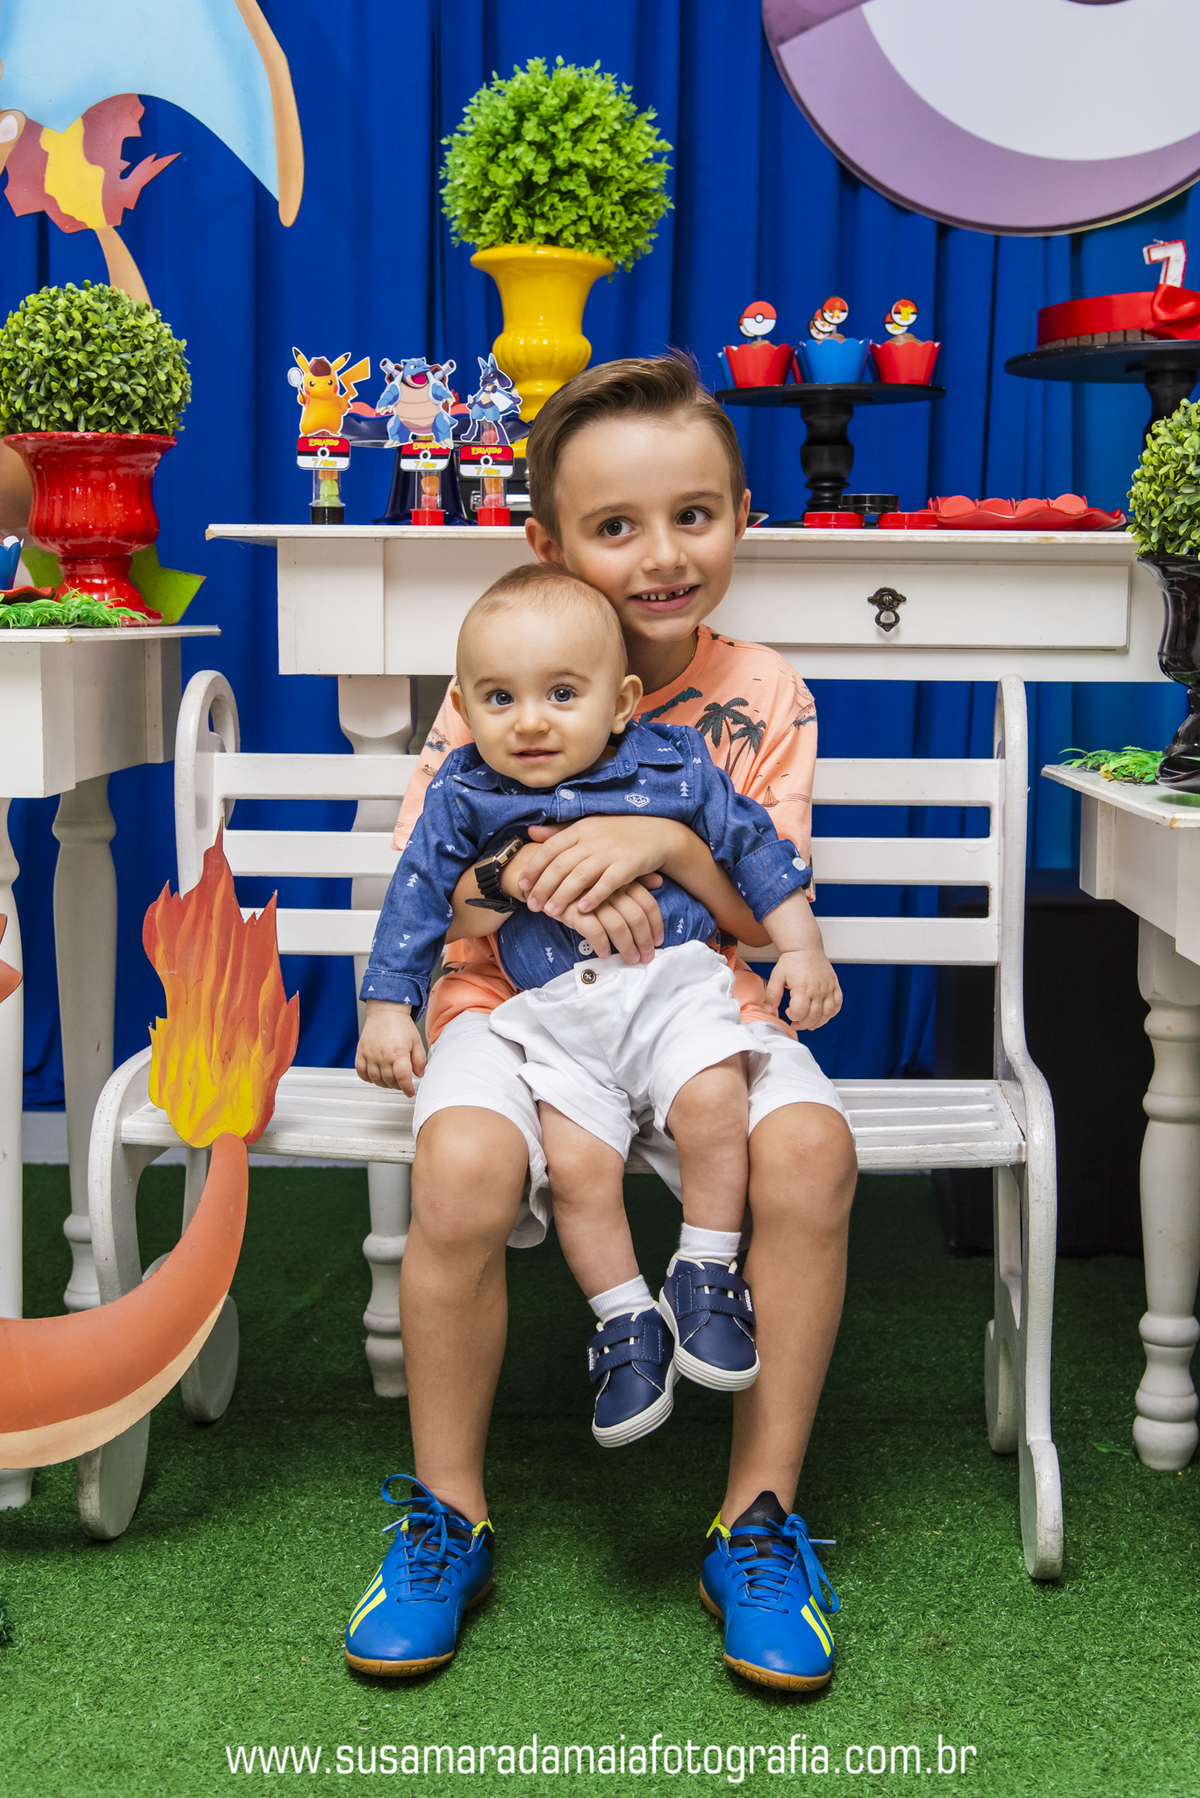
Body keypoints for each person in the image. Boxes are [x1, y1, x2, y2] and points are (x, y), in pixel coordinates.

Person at [345, 355, 857, 1694]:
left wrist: (664, 843)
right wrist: (528, 871)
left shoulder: (763, 693)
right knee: (464, 1169)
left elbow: (762, 913)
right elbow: (434, 889)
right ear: (549, 542)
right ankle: (448, 1516)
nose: (662, 555)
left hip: (697, 999)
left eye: (694, 515)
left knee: (811, 1150)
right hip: (507, 1000)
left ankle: (756, 1520)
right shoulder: (502, 677)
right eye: (616, 526)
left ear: (742, 517)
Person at [356, 567, 841, 1452]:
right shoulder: (464, 793)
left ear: (620, 704)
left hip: (671, 991)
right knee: (578, 1167)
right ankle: (627, 1321)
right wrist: (389, 1006)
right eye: (499, 699)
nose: (529, 722)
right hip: (550, 1016)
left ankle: (704, 1272)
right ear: (464, 706)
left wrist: (801, 948)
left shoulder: (676, 765)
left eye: (561, 695)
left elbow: (758, 852)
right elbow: (417, 898)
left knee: (714, 1099)